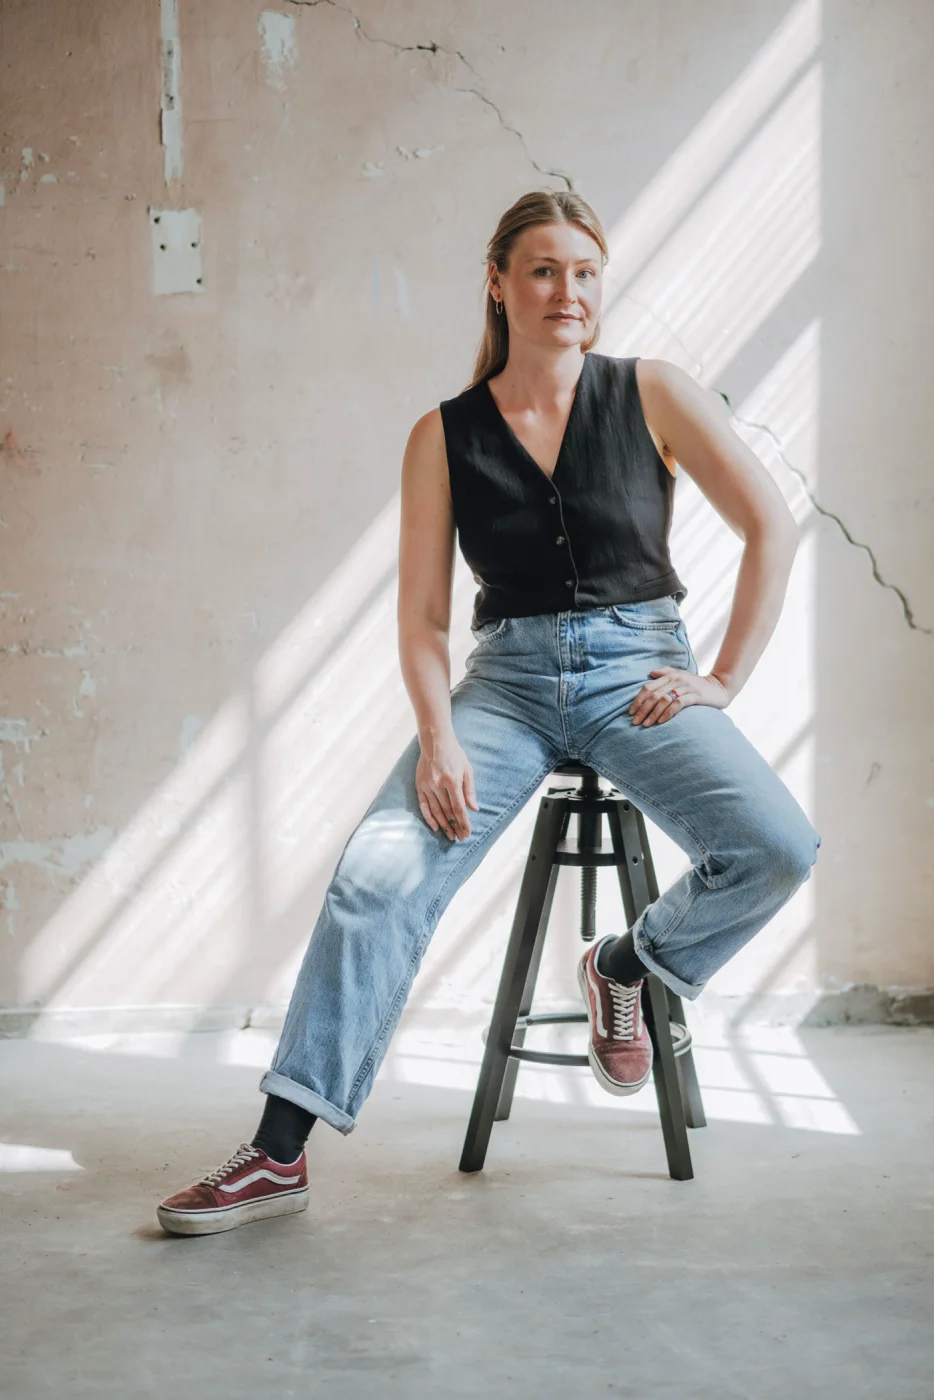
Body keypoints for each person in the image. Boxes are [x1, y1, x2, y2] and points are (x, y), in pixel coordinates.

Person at [156, 189, 820, 1237]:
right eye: (545, 269)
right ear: (499, 282)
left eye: (586, 271)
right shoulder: (444, 434)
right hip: (504, 684)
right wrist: (437, 737)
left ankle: (622, 965)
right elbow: (423, 618)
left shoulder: (650, 391)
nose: (570, 291)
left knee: (777, 843)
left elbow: (769, 526)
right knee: (375, 878)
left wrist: (723, 677)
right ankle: (277, 1153)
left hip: (637, 671)